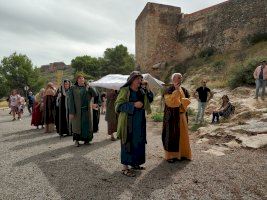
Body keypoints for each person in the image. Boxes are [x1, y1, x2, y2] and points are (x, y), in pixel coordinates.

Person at [115, 71, 153, 177]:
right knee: (127, 143)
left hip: (140, 122)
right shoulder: (125, 90)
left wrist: (148, 89)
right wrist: (133, 105)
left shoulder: (141, 91)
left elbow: (150, 100)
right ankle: (125, 168)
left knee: (138, 142)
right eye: (138, 79)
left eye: (140, 79)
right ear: (132, 80)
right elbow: (118, 106)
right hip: (128, 122)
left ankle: (135, 164)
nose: (140, 81)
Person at [162, 73, 192, 163]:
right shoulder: (169, 89)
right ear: (173, 80)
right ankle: (170, 156)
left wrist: (181, 102)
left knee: (183, 135)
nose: (180, 79)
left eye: (181, 78)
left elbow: (188, 100)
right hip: (171, 117)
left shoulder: (184, 90)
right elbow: (170, 102)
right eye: (178, 78)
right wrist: (176, 91)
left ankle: (183, 154)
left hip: (182, 116)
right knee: (171, 136)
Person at [68, 73, 97, 147]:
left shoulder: (87, 87)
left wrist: (90, 87)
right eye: (80, 78)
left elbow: (95, 94)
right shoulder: (73, 88)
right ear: (77, 80)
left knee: (87, 126)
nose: (81, 79)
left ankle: (86, 140)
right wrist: (71, 112)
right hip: (77, 111)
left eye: (83, 78)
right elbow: (71, 100)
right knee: (77, 126)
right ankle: (77, 141)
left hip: (87, 111)